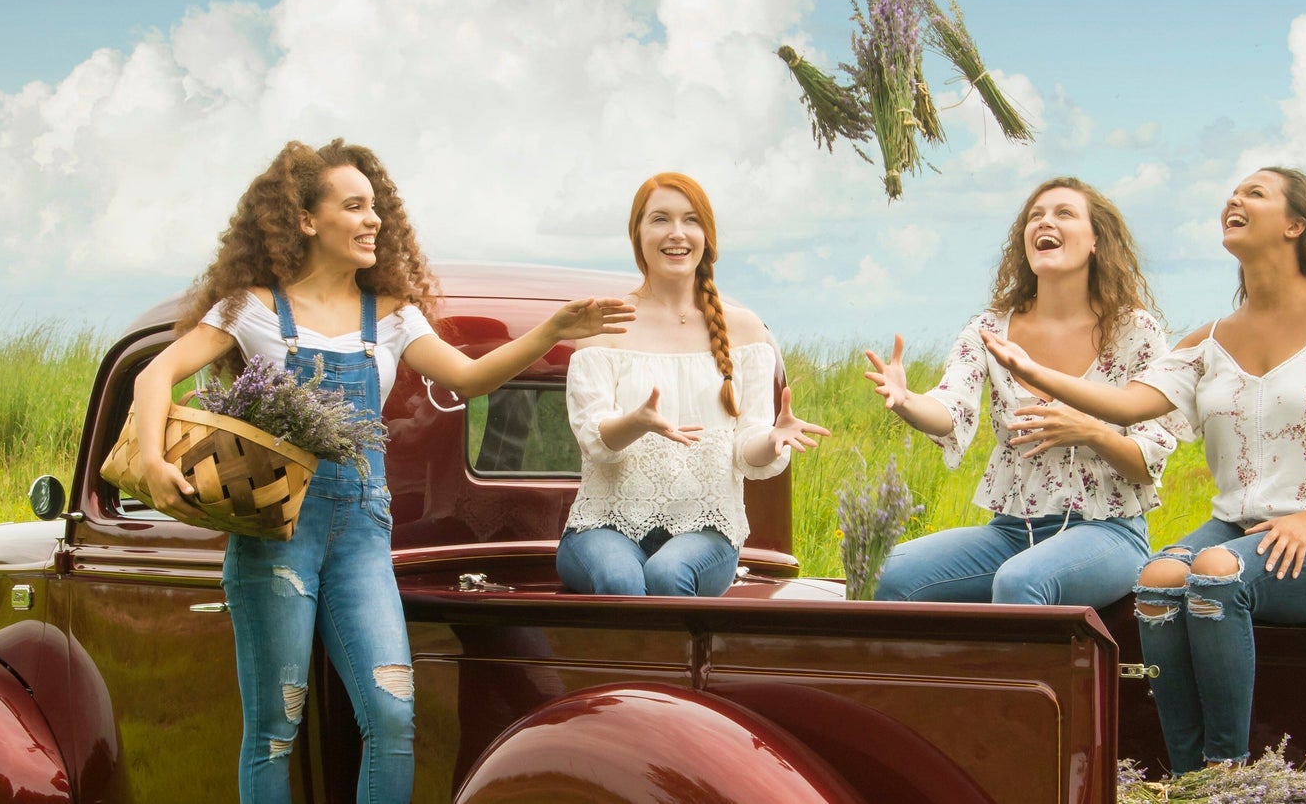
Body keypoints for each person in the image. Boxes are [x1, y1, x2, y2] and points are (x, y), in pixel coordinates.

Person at [127, 139, 633, 803]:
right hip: (274, 538)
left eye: (377, 208)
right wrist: (149, 458)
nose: (374, 221)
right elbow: (156, 371)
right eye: (355, 206)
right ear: (307, 219)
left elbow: (471, 376)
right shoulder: (253, 307)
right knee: (275, 729)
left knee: (392, 715)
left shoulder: (392, 317)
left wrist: (555, 330)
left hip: (362, 537)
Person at [982, 167, 1306, 775]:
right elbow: (1127, 404)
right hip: (1239, 529)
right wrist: (1032, 371)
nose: (1234, 199)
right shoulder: (1210, 340)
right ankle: (1187, 779)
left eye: (1256, 194)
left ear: (1296, 225)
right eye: (1233, 193)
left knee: (1217, 572)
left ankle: (1229, 778)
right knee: (1160, 575)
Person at [862, 177, 1186, 607]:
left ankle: (1021, 679)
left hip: (1109, 530)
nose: (1044, 222)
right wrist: (907, 401)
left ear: (1095, 241)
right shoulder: (989, 329)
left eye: (1064, 213)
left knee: (1020, 582)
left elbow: (1149, 462)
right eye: (1036, 216)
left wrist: (1090, 432)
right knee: (884, 574)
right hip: (1012, 531)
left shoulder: (1135, 331)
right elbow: (950, 406)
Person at [559, 172, 830, 597]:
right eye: (660, 219)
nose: (677, 233)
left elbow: (747, 453)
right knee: (619, 579)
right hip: (604, 524)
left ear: (707, 235)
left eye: (690, 220)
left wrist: (773, 439)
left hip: (707, 530)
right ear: (638, 234)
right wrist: (637, 422)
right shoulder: (605, 325)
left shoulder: (744, 329)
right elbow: (596, 441)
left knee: (668, 575)